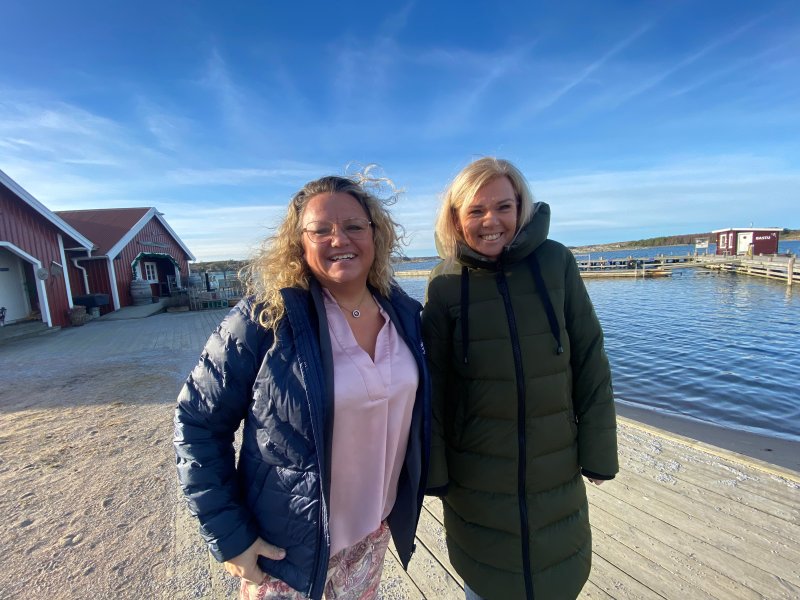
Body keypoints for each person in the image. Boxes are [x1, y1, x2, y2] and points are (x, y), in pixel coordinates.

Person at [174, 171, 431, 600]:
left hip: (372, 536)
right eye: (321, 230)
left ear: (375, 234)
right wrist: (229, 536)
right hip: (286, 552)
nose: (339, 239)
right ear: (299, 243)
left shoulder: (404, 315)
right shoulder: (263, 319)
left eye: (353, 226)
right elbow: (197, 421)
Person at [422, 157, 618, 600]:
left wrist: (599, 452)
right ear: (456, 218)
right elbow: (433, 388)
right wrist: (435, 470)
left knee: (558, 575)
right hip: (476, 478)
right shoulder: (444, 283)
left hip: (555, 466)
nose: (491, 221)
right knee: (488, 583)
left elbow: (589, 359)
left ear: (521, 207)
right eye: (475, 211)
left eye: (503, 207)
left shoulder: (556, 263)